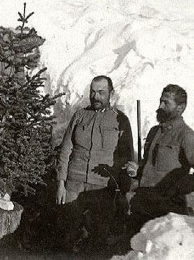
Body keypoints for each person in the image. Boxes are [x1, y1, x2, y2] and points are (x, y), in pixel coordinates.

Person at [55, 75, 134, 250]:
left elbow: (127, 158)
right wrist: (61, 184)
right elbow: (65, 150)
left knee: (99, 235)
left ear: (111, 93)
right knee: (68, 232)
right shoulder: (80, 116)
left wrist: (123, 192)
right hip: (74, 184)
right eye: (92, 92)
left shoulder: (120, 120)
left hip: (102, 188)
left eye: (101, 92)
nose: (95, 96)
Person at [124, 84, 194, 233]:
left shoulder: (186, 135)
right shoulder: (154, 132)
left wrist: (181, 186)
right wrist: (137, 170)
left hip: (166, 214)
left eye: (166, 103)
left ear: (180, 108)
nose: (160, 106)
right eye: (160, 101)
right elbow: (149, 166)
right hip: (142, 207)